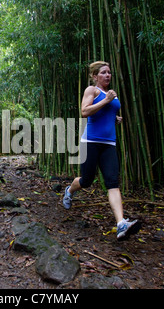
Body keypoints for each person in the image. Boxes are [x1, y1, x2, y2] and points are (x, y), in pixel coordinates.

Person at [63, 61, 140, 241]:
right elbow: (84, 111)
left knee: (112, 182)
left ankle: (121, 223)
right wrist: (106, 100)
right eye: (103, 73)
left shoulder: (111, 94)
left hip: (109, 144)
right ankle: (69, 191)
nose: (107, 75)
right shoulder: (92, 91)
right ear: (95, 76)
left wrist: (115, 117)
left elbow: (105, 113)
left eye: (109, 72)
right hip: (90, 142)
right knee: (87, 180)